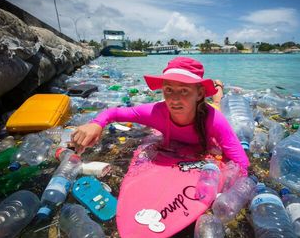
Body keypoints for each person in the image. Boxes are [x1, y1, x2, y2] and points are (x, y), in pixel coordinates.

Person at [71, 57, 249, 174]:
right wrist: (96, 123)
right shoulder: (155, 112)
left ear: (200, 93)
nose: (175, 99)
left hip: (211, 109)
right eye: (169, 89)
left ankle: (217, 87)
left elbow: (242, 164)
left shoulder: (214, 120)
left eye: (184, 90)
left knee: (217, 103)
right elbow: (114, 112)